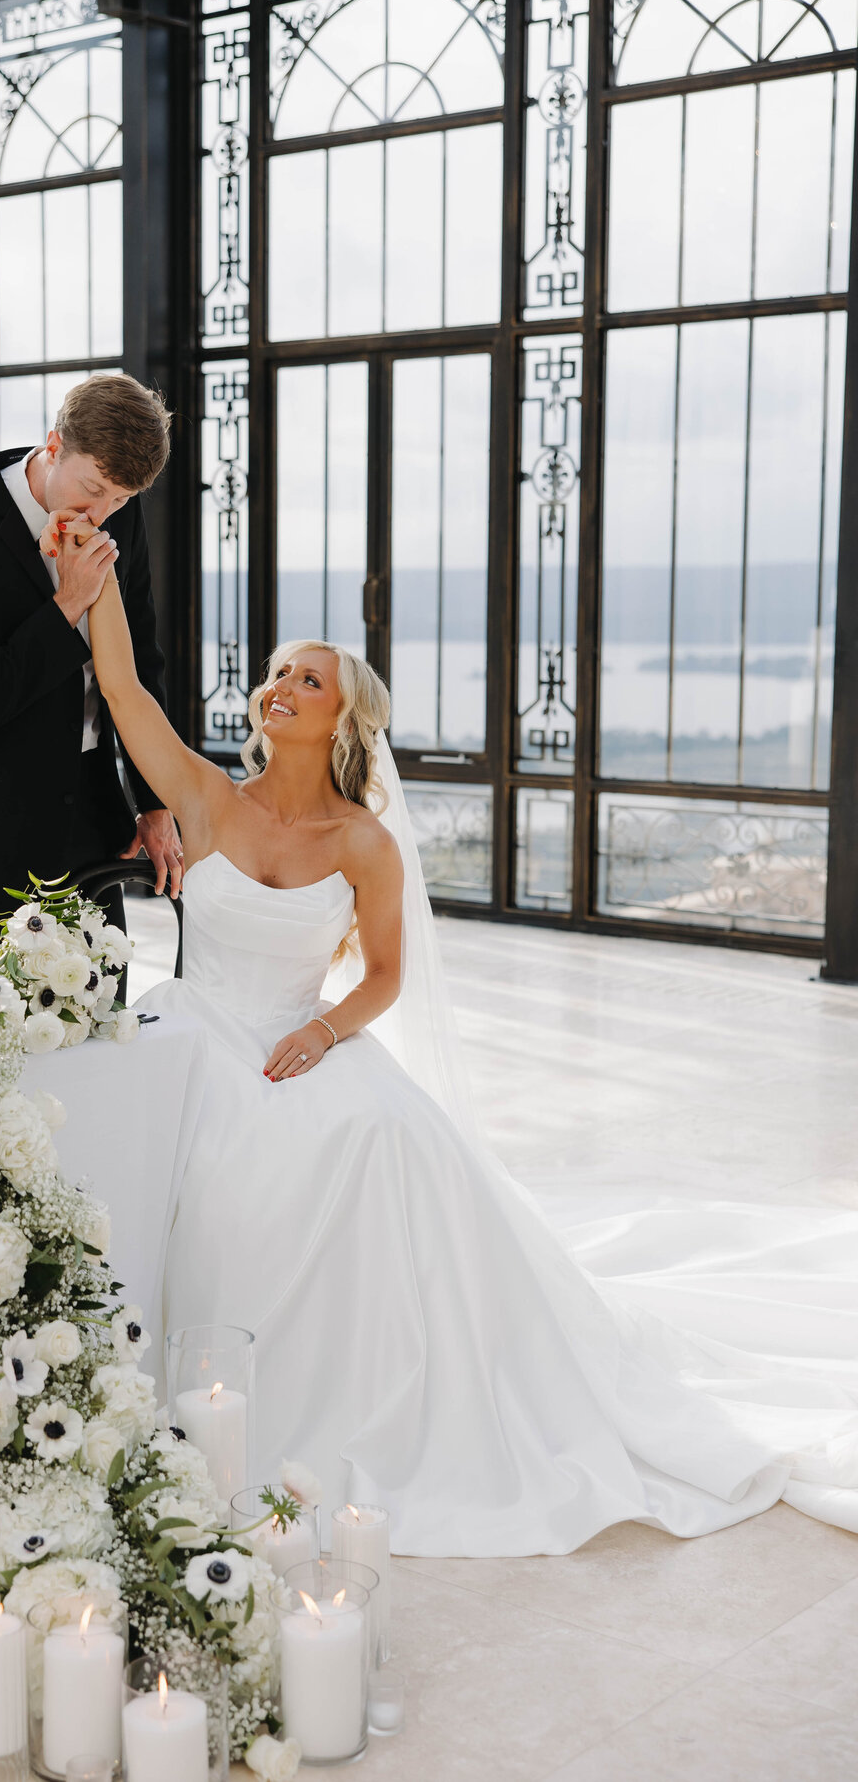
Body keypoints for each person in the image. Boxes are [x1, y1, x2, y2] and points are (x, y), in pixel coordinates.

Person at [78, 551, 858, 1556]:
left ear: (343, 720)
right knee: (194, 1159)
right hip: (194, 1035)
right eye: (278, 674)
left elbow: (384, 977)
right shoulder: (204, 795)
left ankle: (327, 1397)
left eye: (308, 679)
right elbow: (122, 689)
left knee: (372, 1135)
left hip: (296, 1038)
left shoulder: (364, 843)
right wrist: (100, 568)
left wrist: (321, 1031)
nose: (281, 688)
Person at [0, 374, 184, 935]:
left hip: (91, 822)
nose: (103, 512)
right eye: (94, 488)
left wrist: (155, 802)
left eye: (122, 498)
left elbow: (141, 665)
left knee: (101, 989)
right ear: (54, 446)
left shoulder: (119, 515)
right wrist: (67, 605)